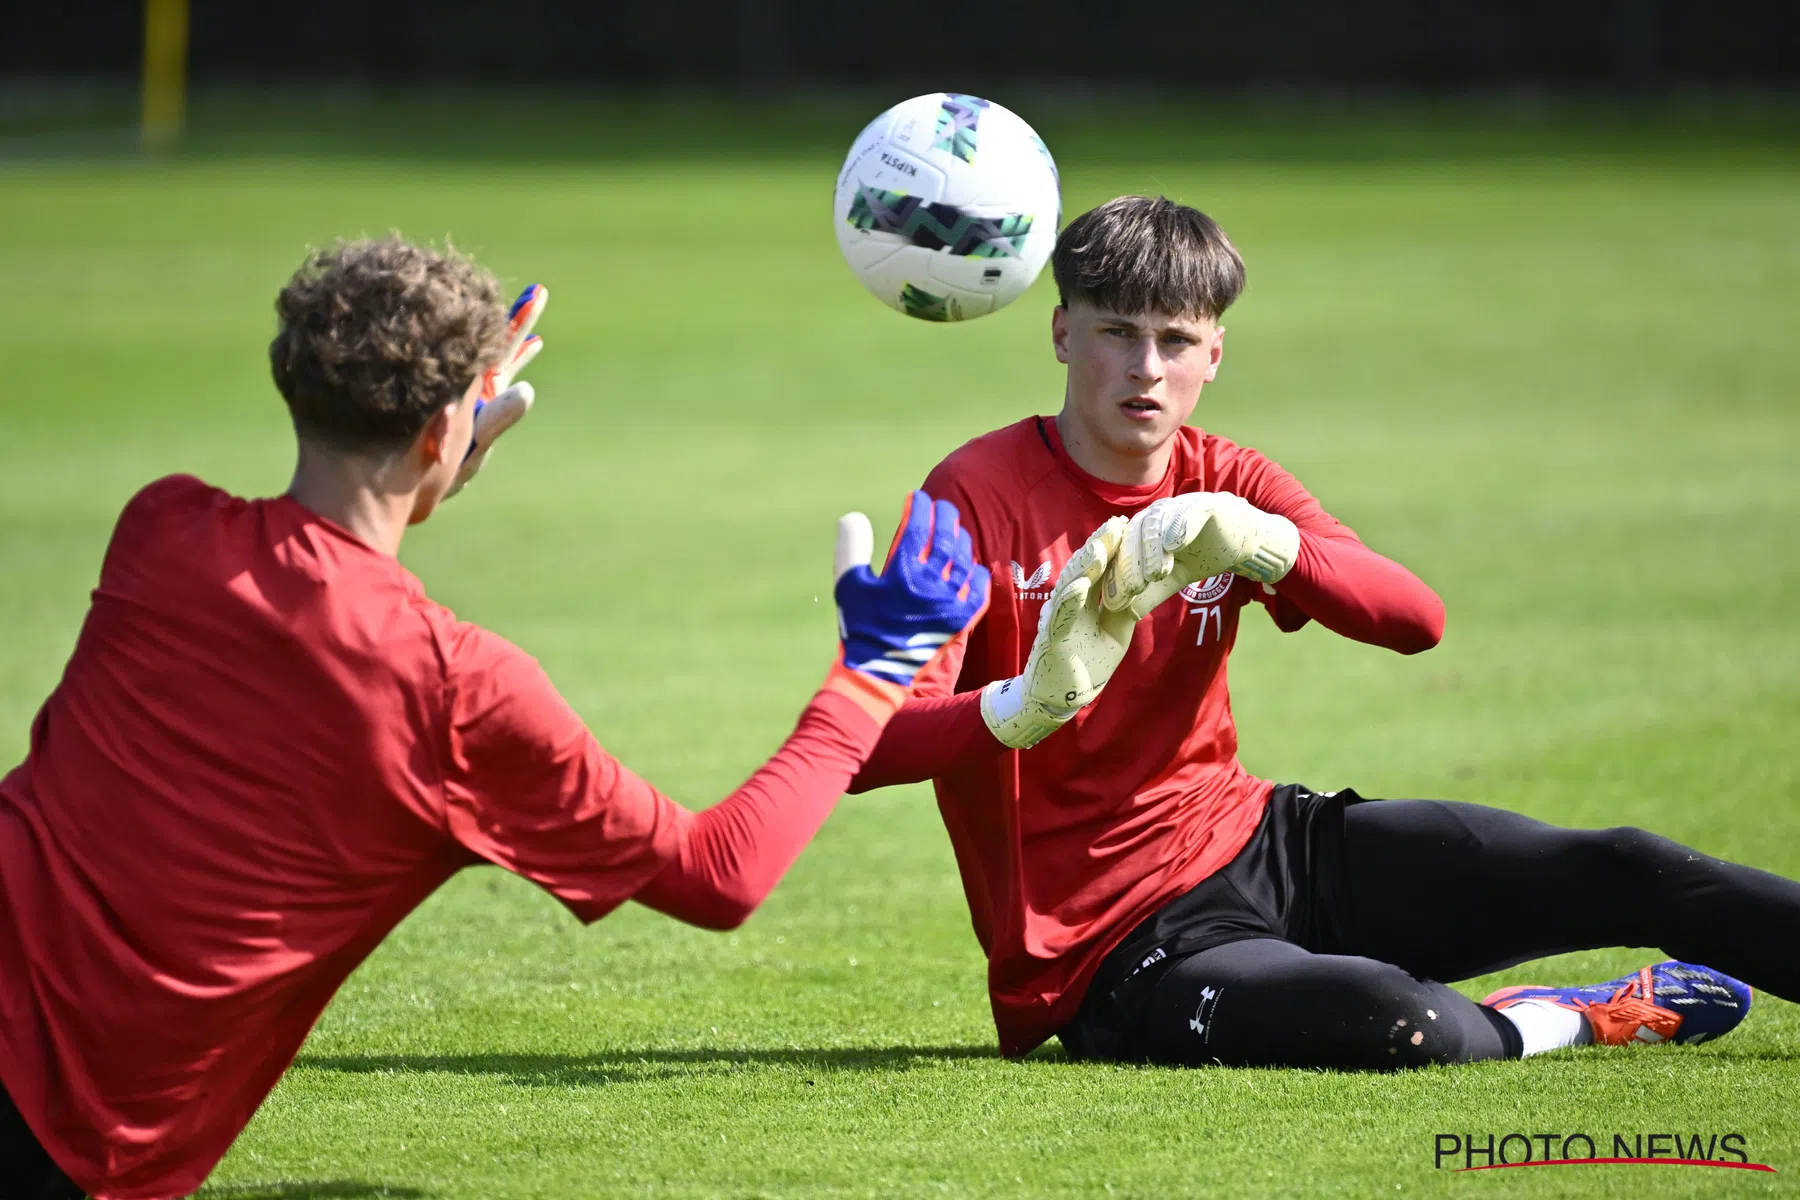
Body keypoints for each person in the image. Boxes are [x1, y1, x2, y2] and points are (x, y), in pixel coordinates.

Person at [0, 237, 990, 1200]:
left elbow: (328, 559)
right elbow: (720, 876)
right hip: (63, 1134)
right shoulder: (456, 691)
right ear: (443, 432)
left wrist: (439, 432)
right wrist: (875, 672)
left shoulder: (162, 529)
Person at [845, 194, 1800, 1070]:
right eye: (1116, 333)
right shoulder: (969, 499)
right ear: (1062, 334)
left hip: (1267, 847)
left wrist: (1266, 544)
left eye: (1176, 340)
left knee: (1626, 864)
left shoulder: (1230, 480)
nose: (1146, 368)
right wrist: (1020, 707)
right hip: (1111, 949)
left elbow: (1413, 618)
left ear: (1213, 354)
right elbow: (861, 747)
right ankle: (1579, 1016)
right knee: (1401, 1021)